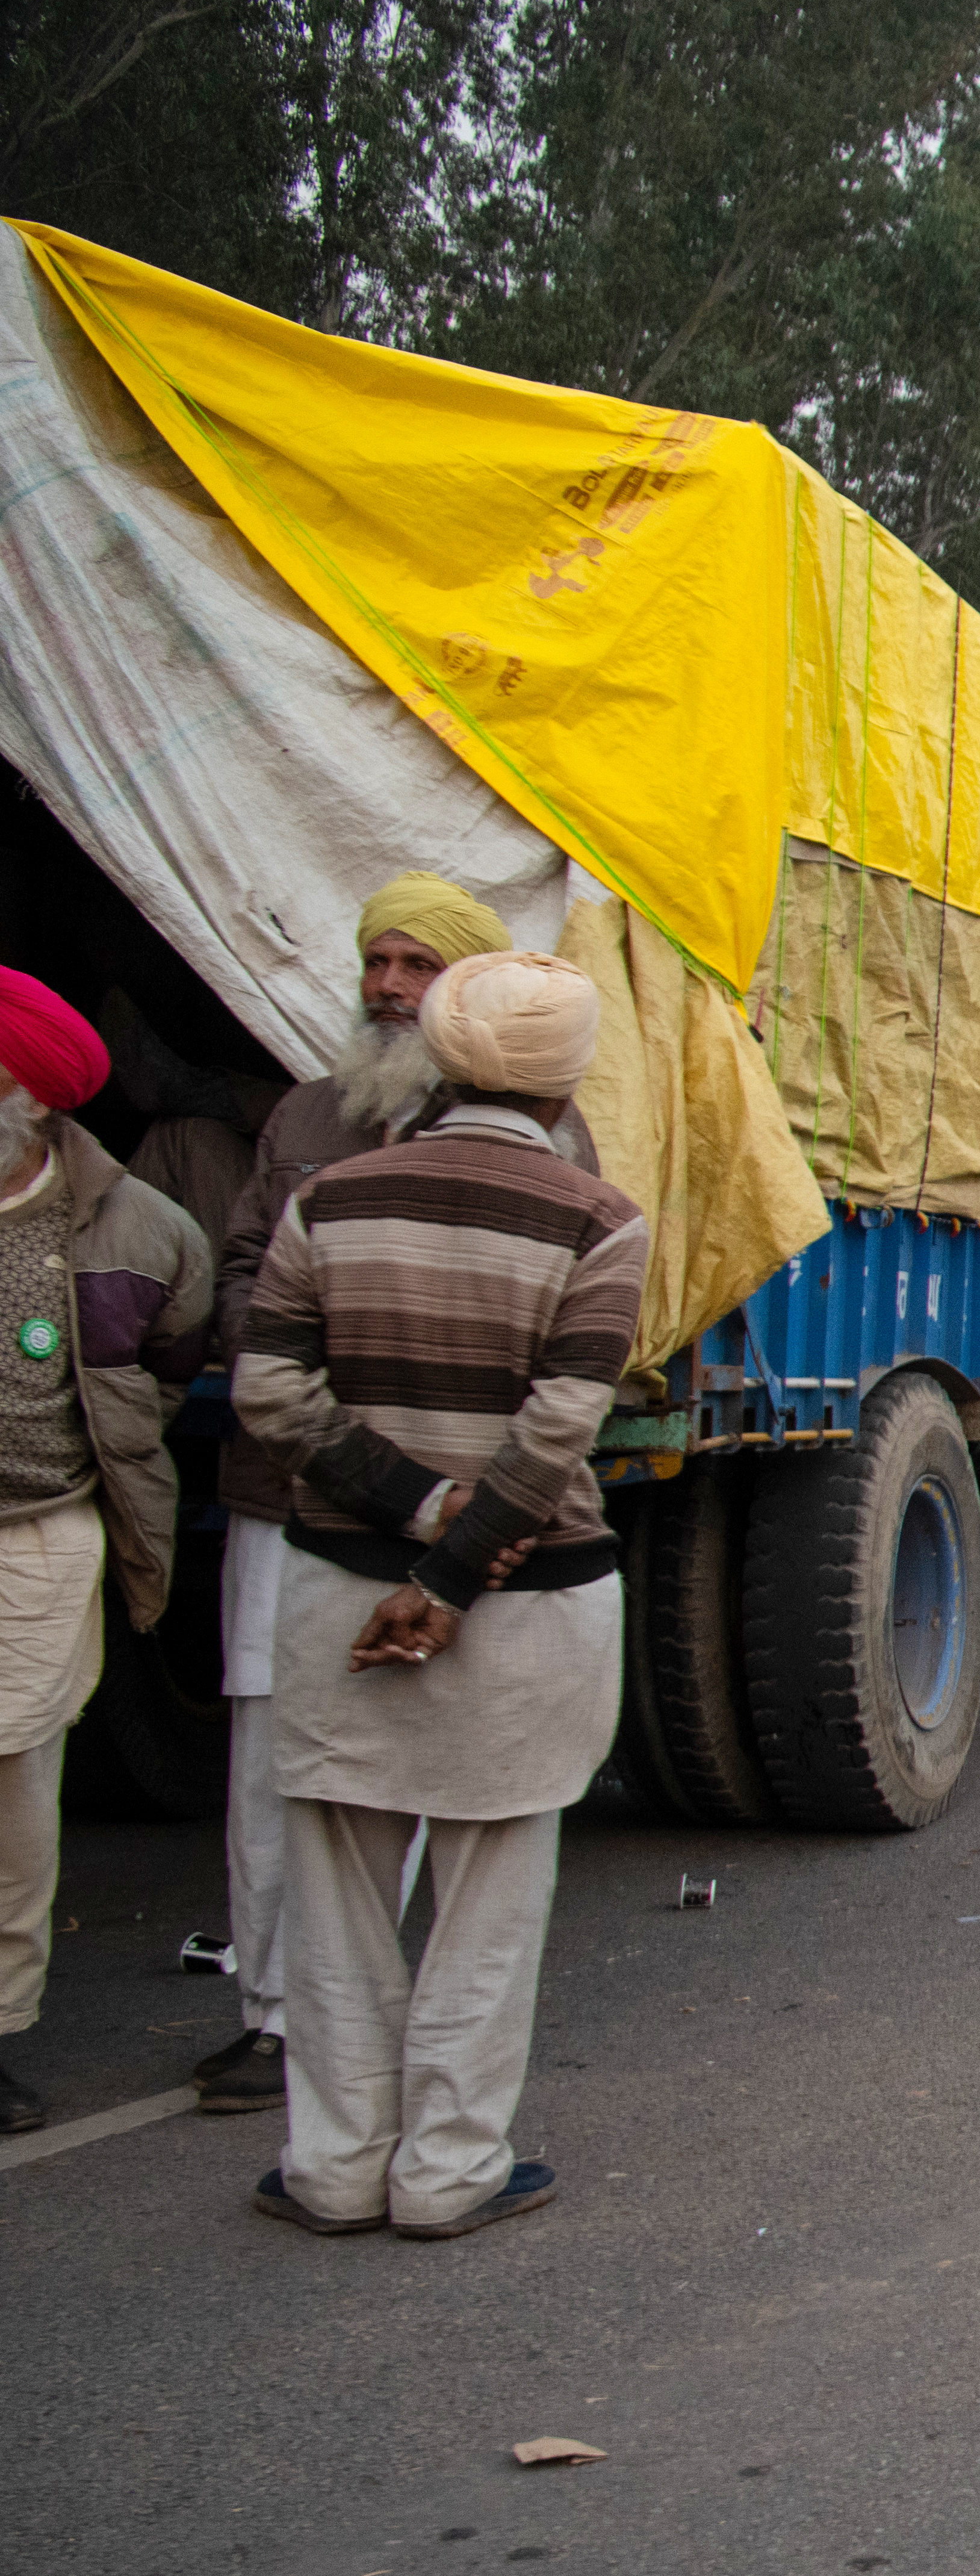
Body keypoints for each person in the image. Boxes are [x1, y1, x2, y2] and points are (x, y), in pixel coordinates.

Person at [234, 951, 645, 2236]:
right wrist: (454, 1574)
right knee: (489, 1903)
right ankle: (449, 2171)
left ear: (441, 1060)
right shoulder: (599, 1219)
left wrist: (416, 1511)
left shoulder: (328, 1201)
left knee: (336, 1894)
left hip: (337, 1586)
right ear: (566, 1082)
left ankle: (333, 2166)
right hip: (529, 1607)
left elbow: (269, 1393)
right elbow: (559, 1430)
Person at [191, 871, 535, 2118]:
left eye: (416, 965)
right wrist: (295, 1370)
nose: (389, 985)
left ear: (465, 986)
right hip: (289, 1485)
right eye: (378, 961)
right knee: (274, 1755)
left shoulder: (529, 1122)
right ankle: (275, 2016)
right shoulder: (305, 1112)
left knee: (409, 1752)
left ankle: (366, 2026)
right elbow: (242, 1268)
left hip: (439, 1497)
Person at [0, 973, 217, 2136]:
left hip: (37, 1538)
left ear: (30, 1097)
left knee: (15, 1797)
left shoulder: (142, 1225)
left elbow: (173, 1354)